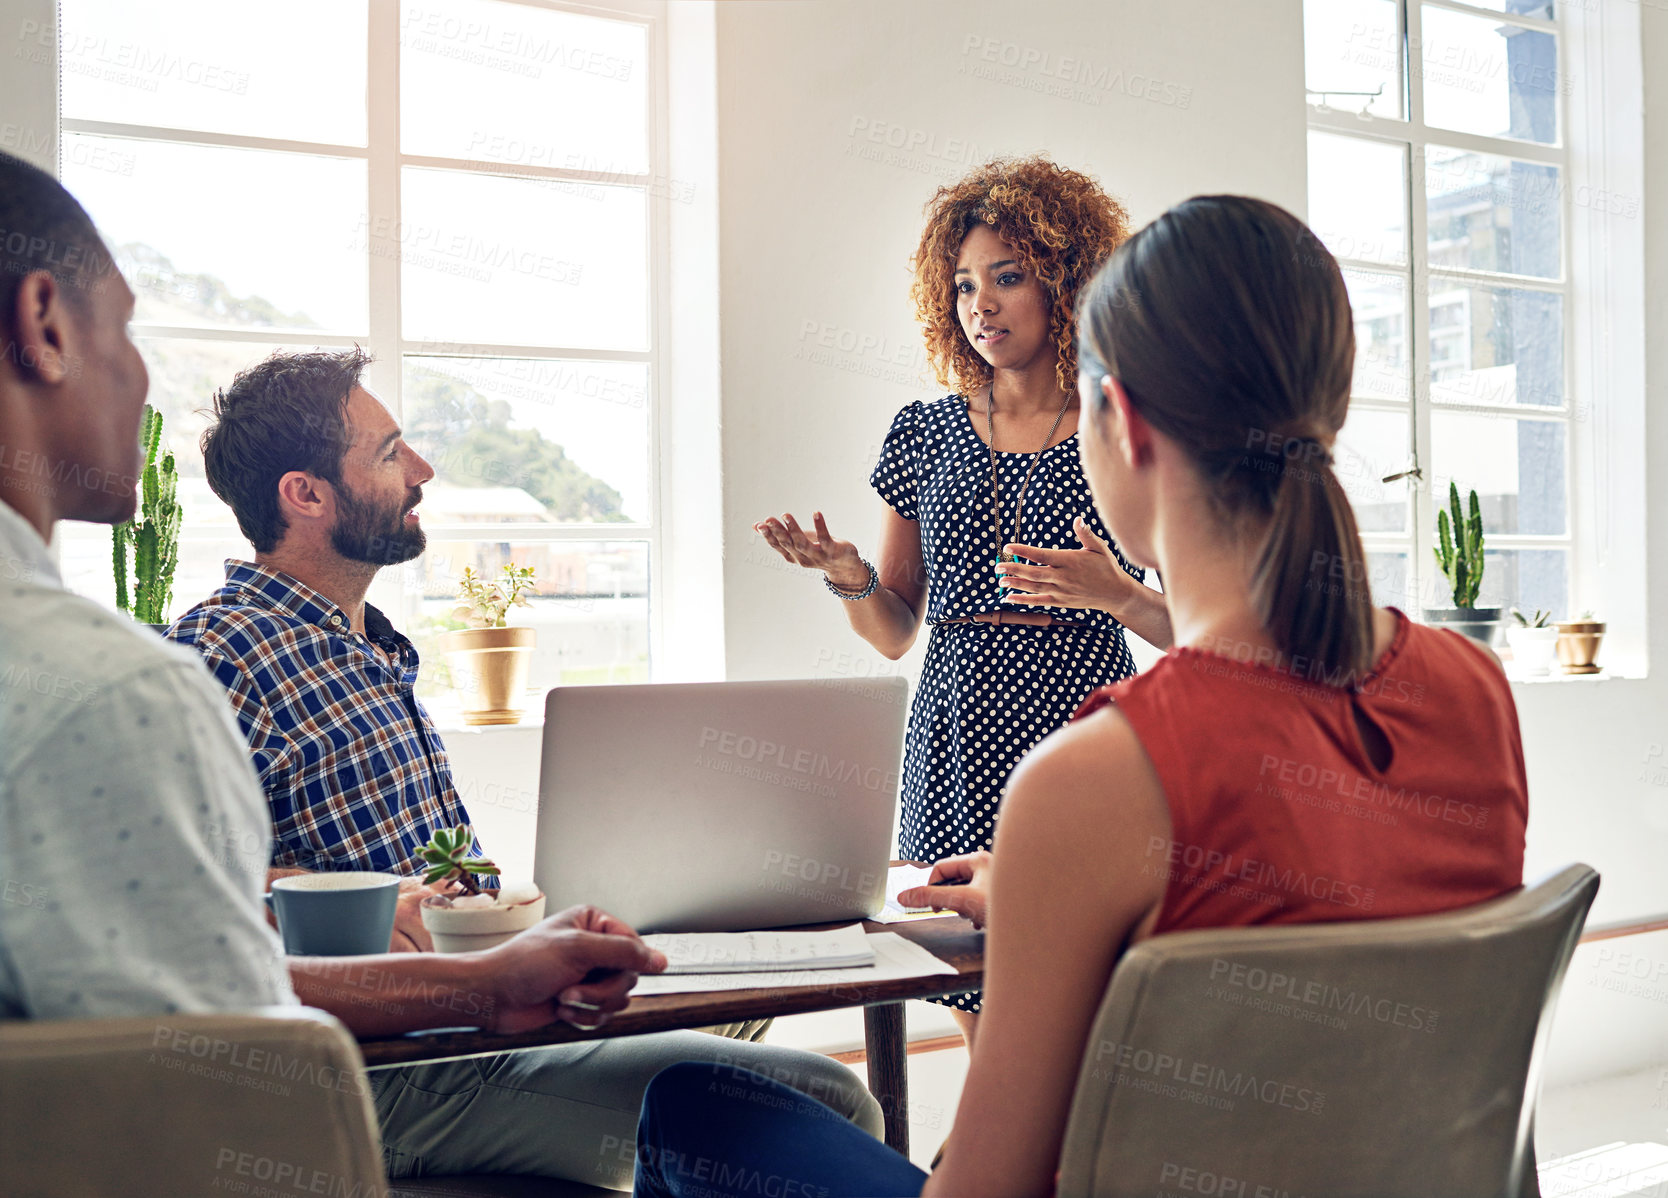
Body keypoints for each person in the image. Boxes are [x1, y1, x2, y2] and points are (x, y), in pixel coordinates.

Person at [0, 152, 879, 1191]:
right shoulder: (190, 664)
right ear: (46, 322)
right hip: (393, 1069)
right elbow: (223, 1000)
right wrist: (455, 973)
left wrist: (496, 941)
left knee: (758, 1047)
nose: (424, 473)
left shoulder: (367, 655)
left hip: (450, 1025)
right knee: (818, 1100)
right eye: (391, 454)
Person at [633, 194, 1530, 1197]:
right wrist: (1059, 899)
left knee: (691, 1102)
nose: (983, 304)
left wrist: (1057, 879)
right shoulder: (1473, 689)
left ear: (1123, 423)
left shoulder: (1097, 776)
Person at [753, 157, 1171, 1040]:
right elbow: (895, 633)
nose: (981, 306)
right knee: (974, 988)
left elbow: (1200, 632)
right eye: (964, 285)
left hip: (1082, 720)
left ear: (1070, 279)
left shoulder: (1126, 424)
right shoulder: (923, 428)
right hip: (955, 730)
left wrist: (1117, 592)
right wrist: (847, 575)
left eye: (1008, 278)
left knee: (1091, 991)